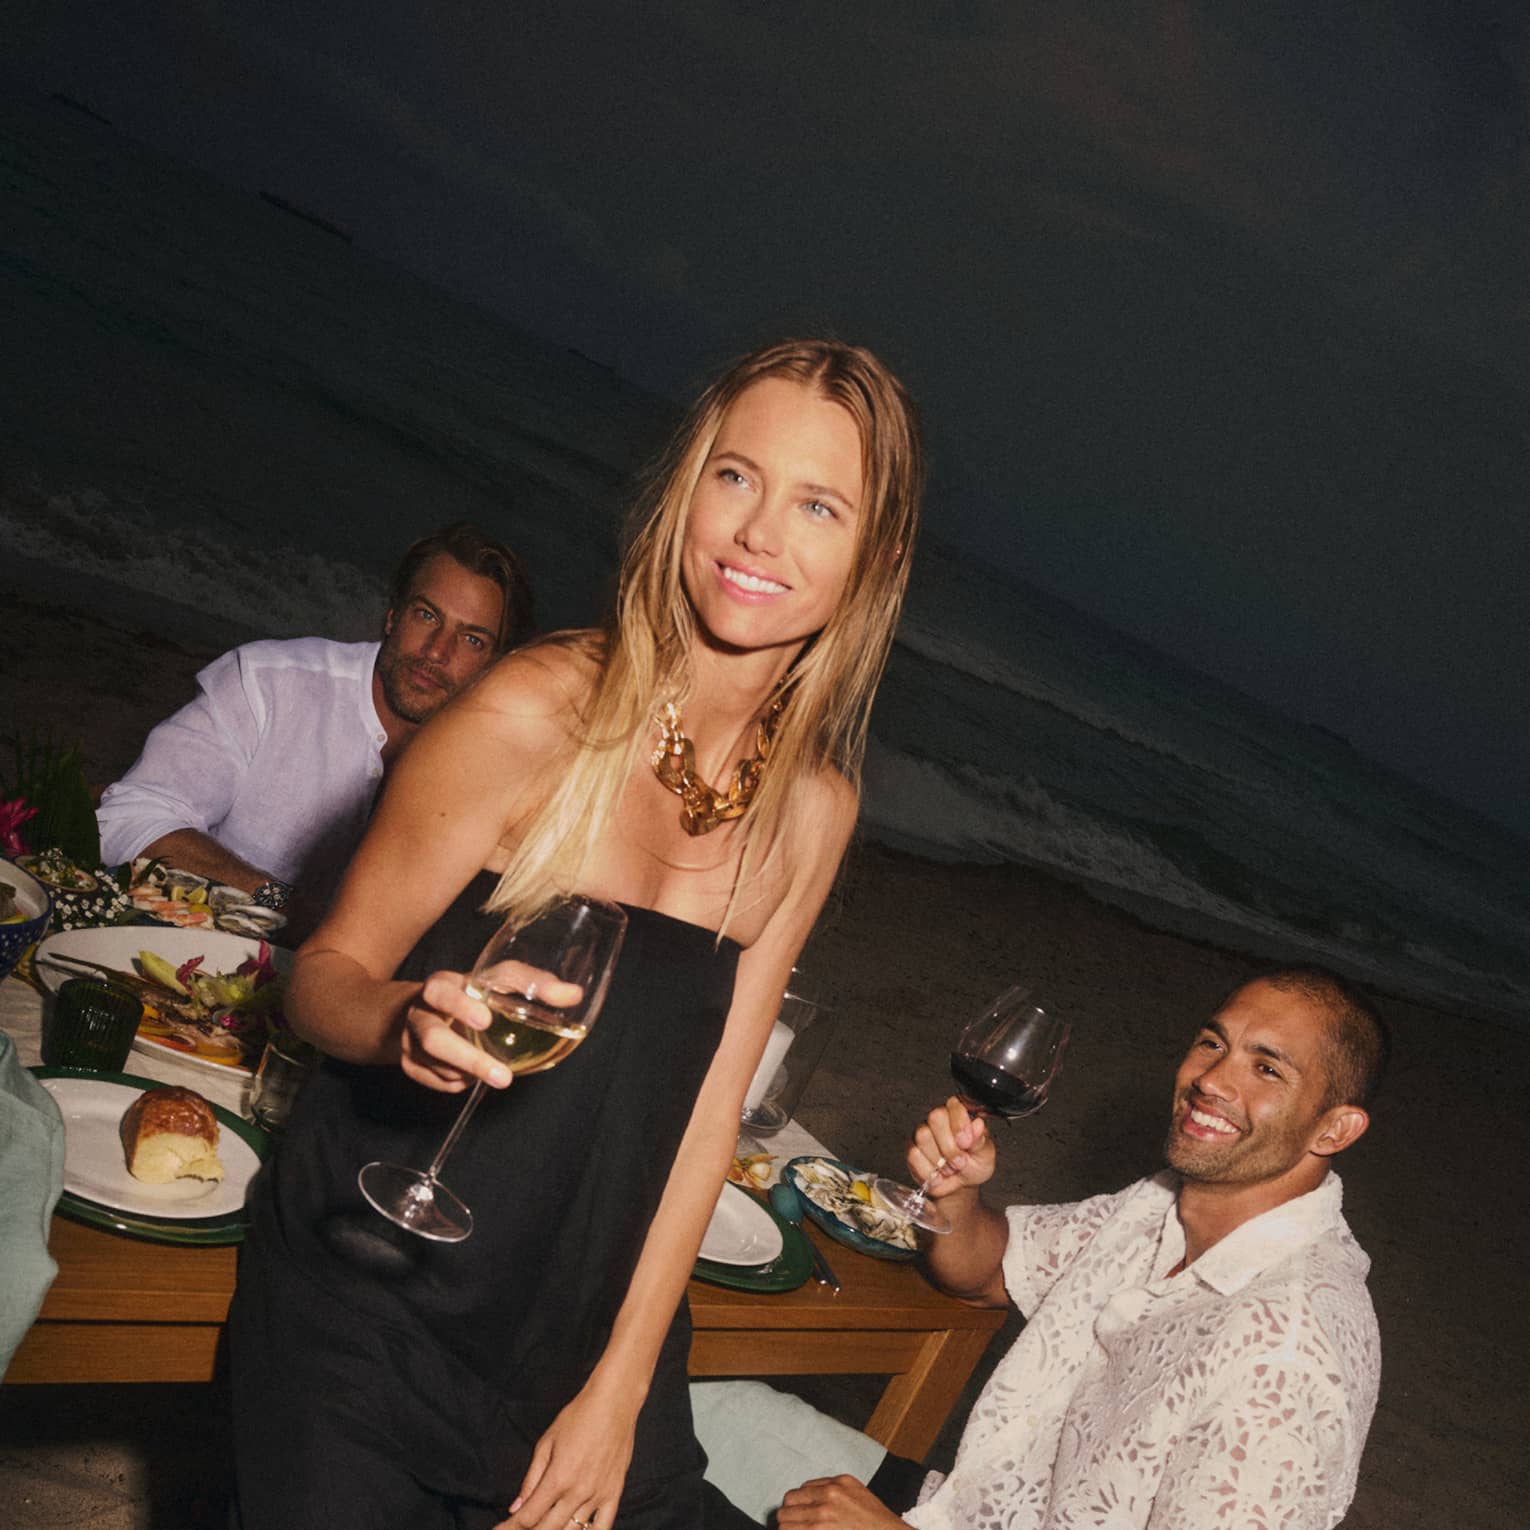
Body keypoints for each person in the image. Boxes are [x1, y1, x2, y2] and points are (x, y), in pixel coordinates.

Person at [225, 339, 925, 1530]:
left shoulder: (815, 809)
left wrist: (620, 1387)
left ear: (870, 560)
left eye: (819, 505)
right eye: (736, 477)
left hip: (585, 1334)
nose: (761, 534)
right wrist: (404, 1018)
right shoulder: (531, 710)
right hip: (373, 1300)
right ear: (686, 491)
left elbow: (709, 1123)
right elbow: (322, 977)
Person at [702, 966, 1386, 1530]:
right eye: (1214, 1043)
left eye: (1267, 1069)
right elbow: (989, 1271)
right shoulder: (1163, 1201)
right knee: (682, 1407)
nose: (1212, 1080)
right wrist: (958, 1202)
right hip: (960, 1510)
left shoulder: (1288, 1360)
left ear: (1334, 1128)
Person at [95, 521, 533, 927]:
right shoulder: (269, 680)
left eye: (472, 639)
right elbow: (128, 817)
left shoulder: (491, 775)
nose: (437, 651)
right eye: (426, 615)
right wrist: (279, 903)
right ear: (392, 615)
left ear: (493, 666)